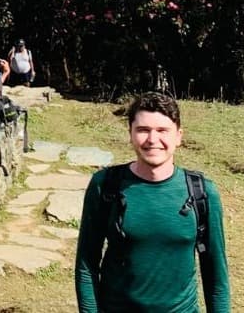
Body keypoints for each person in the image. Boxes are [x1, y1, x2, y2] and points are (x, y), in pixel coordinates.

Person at [74, 92, 230, 312]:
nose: (152, 139)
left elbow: (216, 275)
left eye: (162, 131)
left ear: (178, 136)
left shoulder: (203, 193)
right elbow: (86, 263)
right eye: (143, 130)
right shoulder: (105, 186)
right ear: (130, 134)